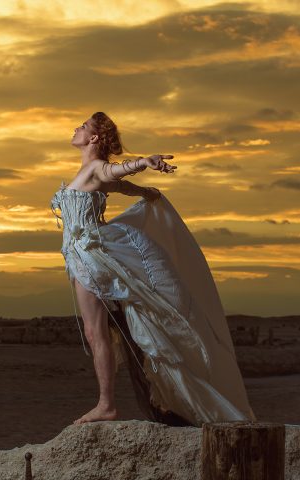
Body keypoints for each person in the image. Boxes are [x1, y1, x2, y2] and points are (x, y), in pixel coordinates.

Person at [50, 112, 257, 427]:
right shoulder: (88, 172)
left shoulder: (96, 168)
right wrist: (147, 193)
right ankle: (111, 401)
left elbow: (115, 170)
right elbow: (123, 186)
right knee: (99, 332)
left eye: (83, 127)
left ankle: (106, 404)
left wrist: (143, 162)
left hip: (91, 255)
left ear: (93, 138)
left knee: (96, 333)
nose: (76, 129)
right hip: (81, 254)